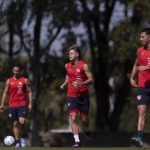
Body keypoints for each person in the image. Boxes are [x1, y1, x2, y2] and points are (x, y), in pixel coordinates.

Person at [60, 45, 93, 148]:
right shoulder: (67, 66)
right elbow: (68, 75)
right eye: (69, 53)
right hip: (72, 95)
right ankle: (77, 142)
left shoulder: (84, 66)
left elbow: (91, 79)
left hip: (83, 96)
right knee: (74, 118)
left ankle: (87, 129)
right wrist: (65, 83)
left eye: (72, 53)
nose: (69, 55)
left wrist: (81, 84)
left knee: (84, 119)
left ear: (77, 54)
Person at [0, 65, 32, 148]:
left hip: (22, 104)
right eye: (15, 70)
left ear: (19, 71)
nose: (16, 72)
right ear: (13, 71)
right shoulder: (9, 81)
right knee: (15, 124)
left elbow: (29, 92)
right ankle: (18, 142)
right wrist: (2, 104)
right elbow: (5, 92)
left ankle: (23, 139)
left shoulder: (24, 80)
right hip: (12, 105)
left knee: (21, 121)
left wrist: (30, 103)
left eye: (17, 70)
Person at [130, 28, 150, 147]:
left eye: (143, 37)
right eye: (140, 37)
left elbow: (145, 66)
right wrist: (132, 77)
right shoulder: (140, 50)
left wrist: (147, 68)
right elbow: (136, 64)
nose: (140, 39)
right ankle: (139, 138)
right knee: (142, 111)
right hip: (143, 86)